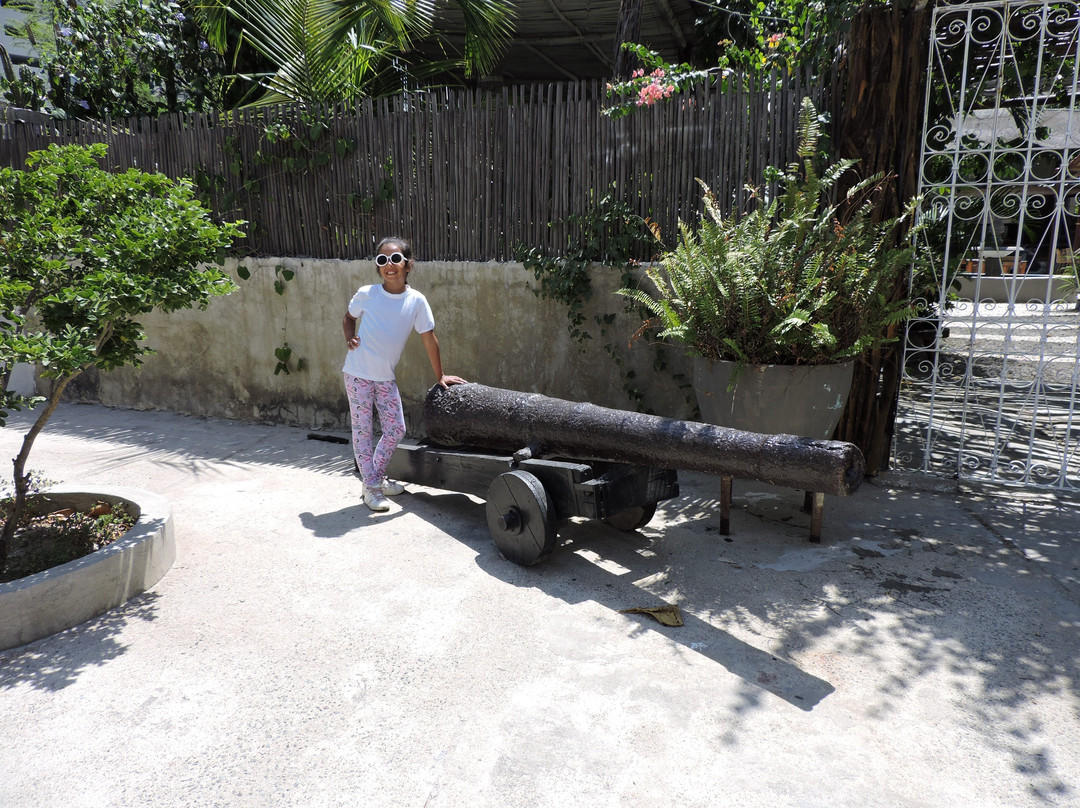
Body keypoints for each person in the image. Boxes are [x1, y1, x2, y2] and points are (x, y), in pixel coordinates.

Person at [342, 237, 466, 511]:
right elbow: (349, 317)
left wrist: (440, 376)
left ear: (408, 265)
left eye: (396, 259)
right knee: (362, 432)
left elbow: (429, 338)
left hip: (385, 377)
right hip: (357, 373)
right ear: (378, 266)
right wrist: (349, 337)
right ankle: (372, 487)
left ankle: (373, 478)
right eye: (382, 260)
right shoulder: (367, 293)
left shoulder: (417, 301)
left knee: (396, 428)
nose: (389, 265)